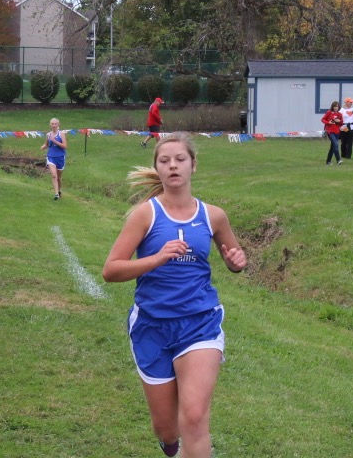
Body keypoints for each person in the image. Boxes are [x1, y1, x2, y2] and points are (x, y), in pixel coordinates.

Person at [102, 132, 247, 458]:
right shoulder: (145, 214)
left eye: (180, 159)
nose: (173, 166)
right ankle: (171, 447)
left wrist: (237, 262)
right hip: (152, 327)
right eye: (164, 161)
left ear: (193, 165)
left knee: (195, 417)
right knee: (167, 430)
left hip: (200, 323)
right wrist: (156, 258)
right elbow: (111, 270)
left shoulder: (214, 216)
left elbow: (235, 257)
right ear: (157, 168)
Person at [40, 117, 68, 200]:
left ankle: (59, 191)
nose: (54, 125)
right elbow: (47, 144)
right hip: (51, 156)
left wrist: (55, 141)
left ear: (58, 125)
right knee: (54, 175)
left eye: (55, 124)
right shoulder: (48, 135)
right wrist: (43, 147)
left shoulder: (61, 134)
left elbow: (65, 146)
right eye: (52, 124)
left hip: (60, 157)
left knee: (59, 178)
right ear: (50, 125)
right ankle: (56, 194)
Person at [321, 101, 343, 165]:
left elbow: (341, 123)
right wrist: (328, 122)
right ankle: (338, 159)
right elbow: (323, 119)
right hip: (330, 131)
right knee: (335, 144)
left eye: (337, 106)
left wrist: (339, 121)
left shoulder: (340, 114)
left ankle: (328, 161)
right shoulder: (329, 112)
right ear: (332, 107)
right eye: (335, 106)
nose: (336, 107)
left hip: (337, 131)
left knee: (333, 146)